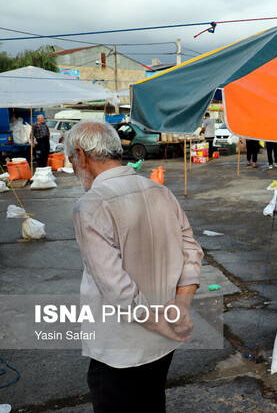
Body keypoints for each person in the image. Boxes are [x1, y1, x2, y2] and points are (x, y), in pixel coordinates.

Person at [64, 120, 203, 411]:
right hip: (161, 345)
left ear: (82, 155)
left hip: (120, 348)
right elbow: (192, 251)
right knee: (152, 402)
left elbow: (117, 288)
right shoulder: (159, 191)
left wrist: (165, 323)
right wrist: (180, 308)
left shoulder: (91, 205)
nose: (74, 168)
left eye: (71, 161)